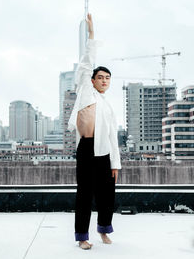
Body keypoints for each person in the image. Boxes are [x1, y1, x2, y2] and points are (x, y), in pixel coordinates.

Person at [68, 13, 121, 250]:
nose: (104, 80)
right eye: (100, 77)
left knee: (106, 194)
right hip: (87, 148)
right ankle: (82, 237)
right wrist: (91, 35)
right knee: (84, 194)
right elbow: (88, 61)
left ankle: (104, 230)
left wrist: (115, 164)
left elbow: (113, 137)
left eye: (107, 78)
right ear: (92, 80)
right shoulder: (85, 91)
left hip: (105, 152)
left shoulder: (108, 106)